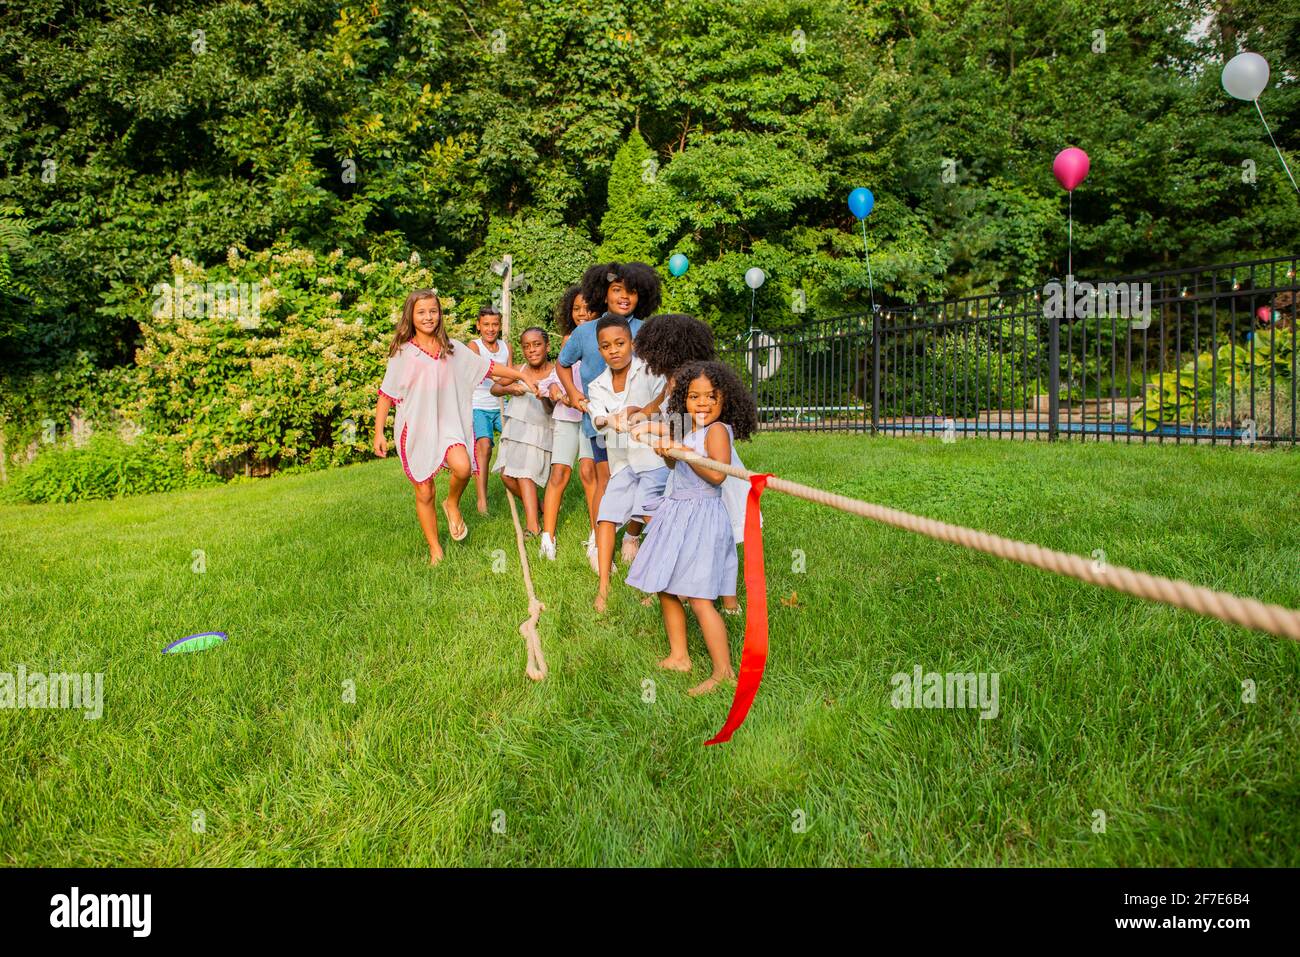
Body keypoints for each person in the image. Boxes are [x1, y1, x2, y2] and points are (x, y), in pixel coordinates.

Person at [625, 360, 758, 695]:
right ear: (683, 399)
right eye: (695, 397)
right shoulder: (691, 431)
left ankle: (723, 671)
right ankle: (679, 655)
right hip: (679, 513)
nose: (703, 404)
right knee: (667, 588)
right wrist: (667, 451)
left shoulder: (717, 431)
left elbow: (716, 474)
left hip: (702, 516)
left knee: (699, 599)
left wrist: (680, 451)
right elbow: (675, 464)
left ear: (725, 399)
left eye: (711, 397)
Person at [372, 290, 536, 564]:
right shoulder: (403, 353)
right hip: (415, 428)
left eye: (433, 311)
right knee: (424, 490)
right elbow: (385, 393)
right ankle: (436, 549)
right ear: (411, 316)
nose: (428, 317)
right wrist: (379, 432)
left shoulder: (454, 349)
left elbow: (489, 369)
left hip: (448, 425)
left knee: (462, 466)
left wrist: (520, 374)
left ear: (440, 314)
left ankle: (451, 504)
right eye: (422, 312)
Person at [633, 313, 753, 614]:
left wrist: (654, 430)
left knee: (721, 532)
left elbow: (679, 426)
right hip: (689, 464)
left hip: (709, 460)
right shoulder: (674, 381)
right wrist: (637, 417)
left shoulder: (690, 380)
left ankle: (716, 598)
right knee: (714, 533)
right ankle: (707, 595)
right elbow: (657, 412)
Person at [556, 262, 662, 570]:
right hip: (600, 422)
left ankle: (632, 534)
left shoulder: (648, 330)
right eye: (617, 290)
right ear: (603, 293)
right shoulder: (585, 332)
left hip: (642, 425)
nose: (624, 296)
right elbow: (562, 364)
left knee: (647, 480)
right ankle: (599, 539)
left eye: (632, 291)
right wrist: (574, 393)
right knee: (607, 480)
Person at [584, 315, 667, 612]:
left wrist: (643, 412)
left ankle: (662, 586)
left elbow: (666, 403)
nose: (614, 350)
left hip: (655, 460)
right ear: (599, 350)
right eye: (606, 346)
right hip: (623, 462)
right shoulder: (597, 385)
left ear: (631, 342)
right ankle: (603, 587)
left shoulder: (650, 371)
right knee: (605, 516)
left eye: (620, 343)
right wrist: (611, 419)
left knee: (652, 517)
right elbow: (598, 418)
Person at [537, 286, 598, 561]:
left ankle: (598, 536)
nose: (581, 313)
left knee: (589, 472)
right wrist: (554, 389)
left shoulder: (604, 338)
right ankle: (547, 538)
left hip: (592, 416)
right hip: (566, 415)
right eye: (576, 309)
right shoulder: (568, 340)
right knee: (559, 472)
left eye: (587, 308)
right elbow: (556, 375)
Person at [491, 327, 555, 536]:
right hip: (516, 429)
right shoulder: (520, 370)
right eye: (526, 346)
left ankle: (533, 527)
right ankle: (541, 507)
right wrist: (512, 389)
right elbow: (495, 389)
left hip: (539, 431)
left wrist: (544, 396)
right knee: (506, 476)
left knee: (525, 474)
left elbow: (552, 409)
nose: (532, 350)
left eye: (537, 344)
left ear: (547, 346)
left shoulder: (555, 373)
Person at [467, 306, 512, 515]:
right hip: (480, 406)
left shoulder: (506, 347)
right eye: (486, 324)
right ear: (478, 325)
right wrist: (502, 377)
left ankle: (515, 486)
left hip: (502, 405)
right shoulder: (474, 347)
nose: (491, 329)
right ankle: (482, 501)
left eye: (495, 324)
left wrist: (506, 380)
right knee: (484, 447)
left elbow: (510, 375)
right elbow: (480, 370)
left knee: (514, 444)